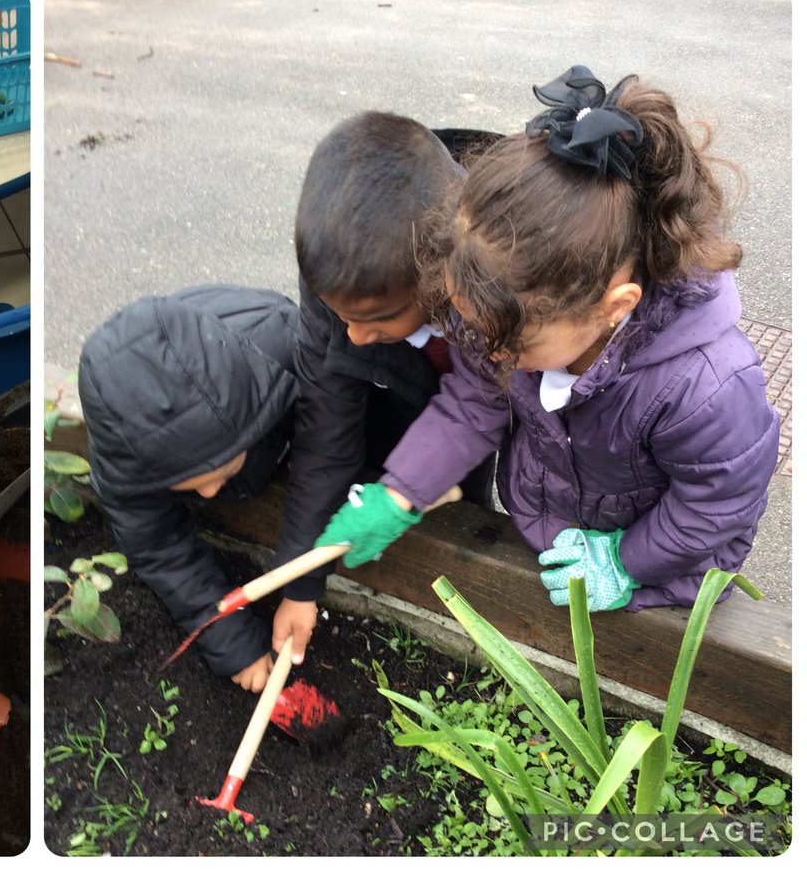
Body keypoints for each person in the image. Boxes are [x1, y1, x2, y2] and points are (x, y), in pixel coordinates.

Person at [318, 66, 779, 612]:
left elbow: (717, 503)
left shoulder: (705, 388)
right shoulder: (508, 316)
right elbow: (473, 401)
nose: (491, 357)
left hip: (665, 572)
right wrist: (401, 491)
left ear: (615, 307)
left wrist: (627, 561)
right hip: (561, 538)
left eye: (512, 347)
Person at [270, 111, 497, 660]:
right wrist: (301, 581)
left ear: (442, 275)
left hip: (481, 406)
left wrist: (416, 490)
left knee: (465, 501)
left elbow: (490, 401)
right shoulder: (344, 274)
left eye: (378, 318)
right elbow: (326, 419)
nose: (352, 334)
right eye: (339, 314)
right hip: (401, 394)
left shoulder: (500, 272)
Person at [78, 285, 298, 692]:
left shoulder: (284, 353)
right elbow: (160, 550)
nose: (211, 494)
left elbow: (339, 426)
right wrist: (234, 643)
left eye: (223, 471)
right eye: (192, 485)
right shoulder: (125, 463)